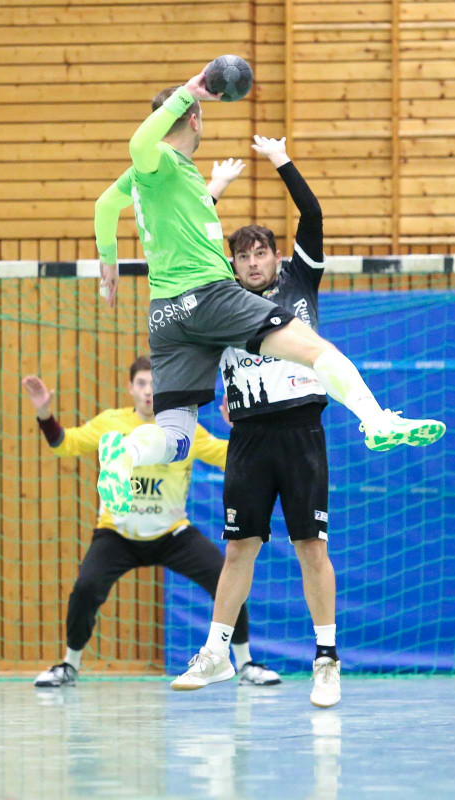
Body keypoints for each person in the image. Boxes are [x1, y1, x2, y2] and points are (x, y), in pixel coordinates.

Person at [91, 65, 444, 520]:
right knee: (317, 350)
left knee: (177, 438)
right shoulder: (160, 159)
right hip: (209, 297)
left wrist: (108, 259)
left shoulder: (158, 179)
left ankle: (125, 454)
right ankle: (375, 420)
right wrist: (189, 91)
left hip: (166, 315)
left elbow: (104, 205)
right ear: (195, 120)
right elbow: (139, 144)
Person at [171, 136, 341, 705]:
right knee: (240, 548)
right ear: (233, 263)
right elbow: (189, 239)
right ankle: (217, 652)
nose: (251, 261)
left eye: (259, 252)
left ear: (275, 256)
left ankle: (326, 660)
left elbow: (312, 215)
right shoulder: (219, 295)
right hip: (247, 438)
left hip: (301, 433)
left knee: (310, 547)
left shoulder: (300, 281)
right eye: (242, 255)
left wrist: (281, 161)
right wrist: (213, 190)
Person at [22, 356, 280, 688]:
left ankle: (244, 664)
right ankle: (69, 665)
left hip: (172, 534)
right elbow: (63, 444)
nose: (148, 391)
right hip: (117, 534)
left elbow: (230, 457)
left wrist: (240, 428)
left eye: (154, 384)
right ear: (130, 388)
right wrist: (44, 413)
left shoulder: (184, 431)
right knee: (85, 589)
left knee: (225, 580)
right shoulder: (110, 423)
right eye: (141, 383)